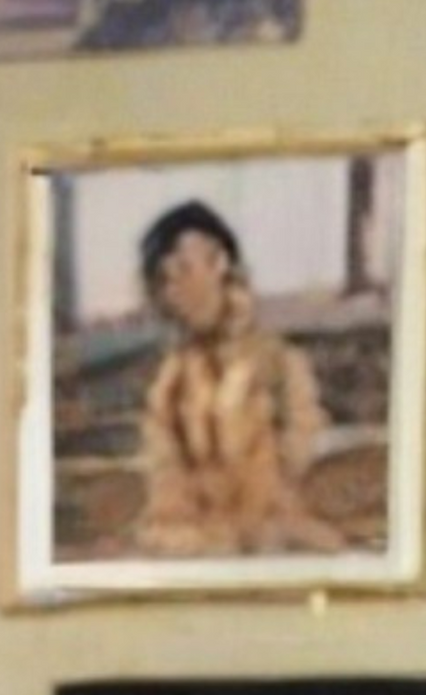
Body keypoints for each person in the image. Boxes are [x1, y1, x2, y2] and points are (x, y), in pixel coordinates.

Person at [126, 194, 334, 555]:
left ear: (219, 263)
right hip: (201, 548)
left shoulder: (277, 362)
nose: (172, 291)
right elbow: (164, 481)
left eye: (181, 271)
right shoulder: (170, 383)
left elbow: (302, 448)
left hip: (276, 543)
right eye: (163, 280)